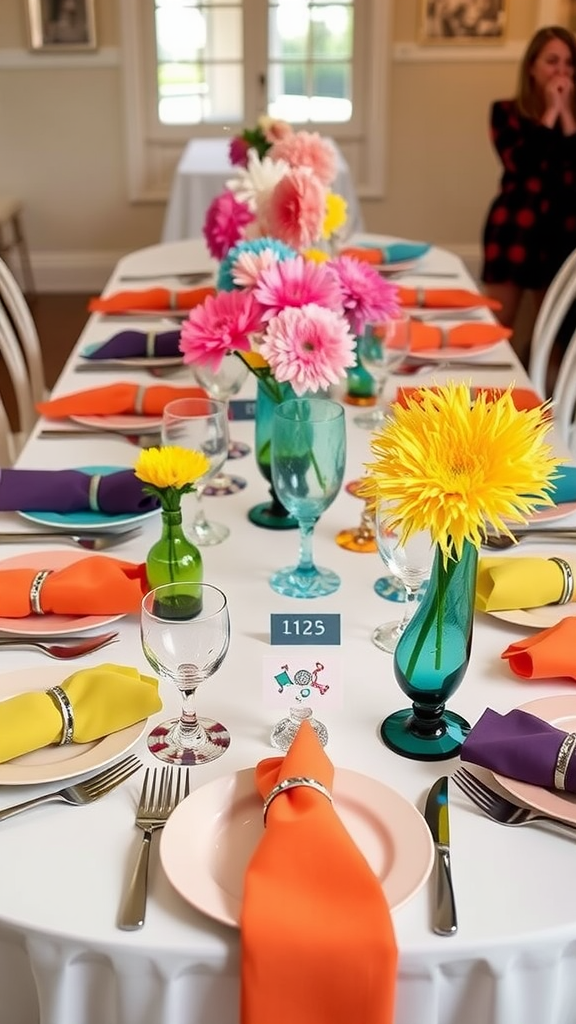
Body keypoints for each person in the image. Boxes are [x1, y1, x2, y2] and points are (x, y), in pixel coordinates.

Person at [480, 25, 576, 341]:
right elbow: (521, 165)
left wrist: (567, 118)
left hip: (562, 230)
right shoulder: (505, 112)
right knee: (498, 322)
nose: (561, 70)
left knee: (555, 332)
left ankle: (544, 389)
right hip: (515, 227)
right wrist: (550, 113)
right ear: (532, 67)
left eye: (568, 62)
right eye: (552, 61)